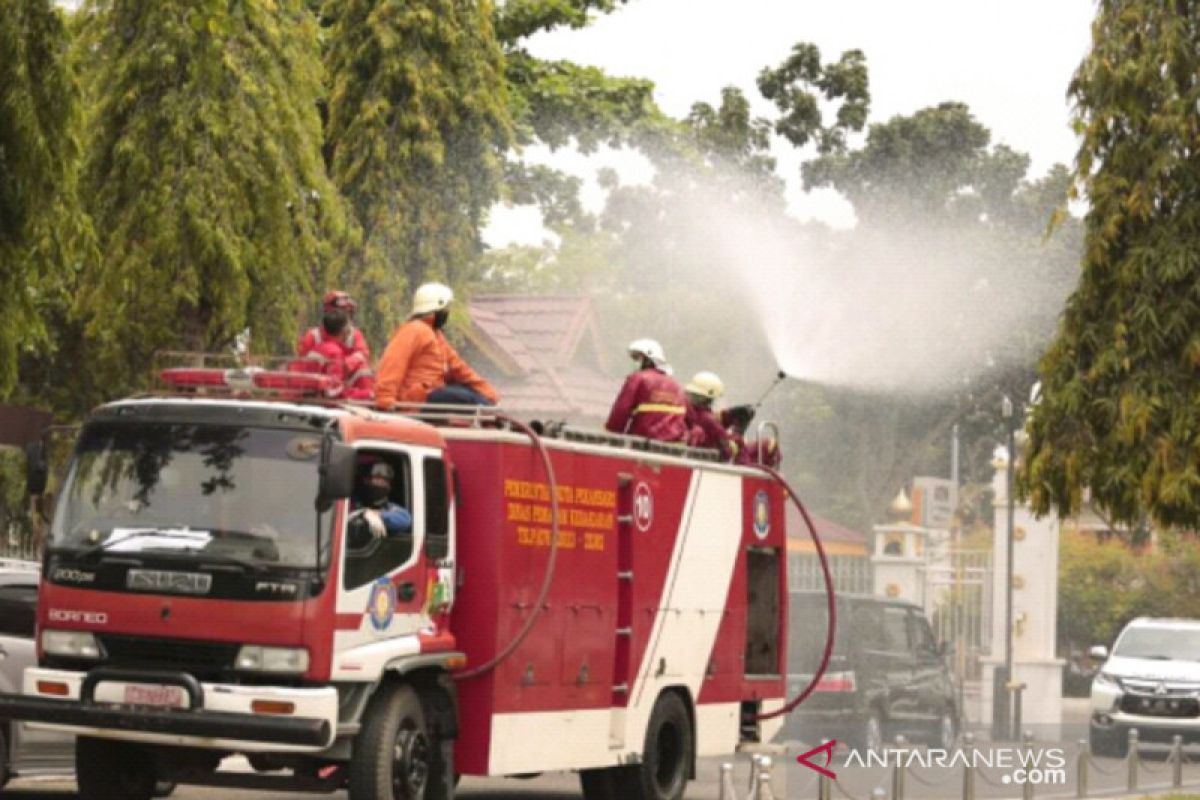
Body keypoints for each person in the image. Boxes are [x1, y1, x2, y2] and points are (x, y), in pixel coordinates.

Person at [374, 282, 499, 409]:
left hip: (433, 392)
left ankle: (488, 410)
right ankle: (487, 412)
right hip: (417, 398)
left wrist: (487, 392)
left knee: (470, 393)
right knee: (466, 398)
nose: (447, 313)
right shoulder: (413, 330)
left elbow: (459, 368)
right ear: (435, 308)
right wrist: (385, 397)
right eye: (445, 309)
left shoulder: (436, 335)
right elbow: (393, 362)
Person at [605, 339, 688, 442]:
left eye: (637, 358)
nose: (635, 362)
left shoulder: (638, 378)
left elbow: (621, 411)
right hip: (671, 447)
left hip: (642, 443)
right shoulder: (676, 384)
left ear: (649, 359)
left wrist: (612, 436)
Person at [296, 290, 374, 399]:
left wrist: (346, 365)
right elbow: (304, 368)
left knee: (363, 370)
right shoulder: (313, 337)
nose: (348, 320)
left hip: (344, 385)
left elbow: (363, 355)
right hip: (324, 390)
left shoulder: (355, 335)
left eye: (348, 314)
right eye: (343, 313)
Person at [347, 460, 412, 550]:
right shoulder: (350, 502)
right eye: (376, 479)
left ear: (389, 486)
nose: (379, 483)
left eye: (384, 481)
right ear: (366, 480)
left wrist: (377, 514)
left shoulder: (389, 507)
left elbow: (405, 520)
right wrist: (362, 513)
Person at [684, 371, 738, 461]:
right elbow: (727, 452)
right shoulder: (710, 421)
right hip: (704, 465)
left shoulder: (683, 410)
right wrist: (738, 434)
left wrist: (724, 420)